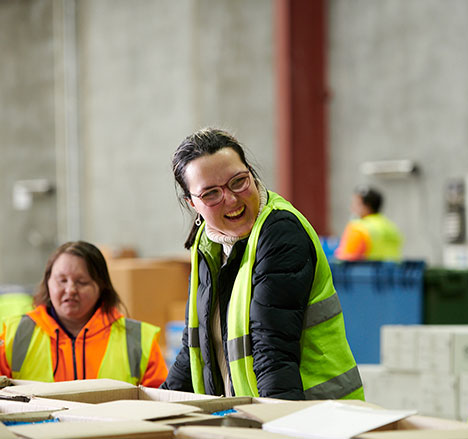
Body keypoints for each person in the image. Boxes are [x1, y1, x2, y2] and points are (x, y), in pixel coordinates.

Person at [161, 128, 363, 400]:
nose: (231, 199)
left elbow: (272, 350)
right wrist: (156, 409)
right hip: (246, 416)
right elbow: (194, 349)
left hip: (314, 417)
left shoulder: (280, 232)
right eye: (210, 194)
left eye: (238, 181)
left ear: (252, 174)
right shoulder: (207, 244)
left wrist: (275, 423)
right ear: (192, 204)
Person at [0, 241, 168, 387]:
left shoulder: (138, 341)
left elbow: (159, 402)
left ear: (101, 286)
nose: (70, 290)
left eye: (82, 282)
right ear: (47, 282)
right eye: (62, 280)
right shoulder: (13, 335)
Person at [334, 186, 403, 261]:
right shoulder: (391, 227)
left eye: (355, 203)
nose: (351, 208)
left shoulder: (358, 228)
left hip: (367, 272)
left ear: (367, 206)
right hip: (392, 272)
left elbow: (345, 258)